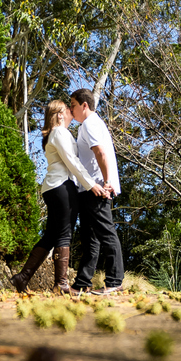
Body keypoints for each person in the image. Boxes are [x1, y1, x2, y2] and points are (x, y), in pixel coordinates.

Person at [11, 99, 108, 293]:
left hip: (51, 187)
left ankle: (22, 278)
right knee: (64, 234)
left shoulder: (54, 134)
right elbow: (72, 161)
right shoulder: (60, 132)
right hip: (62, 187)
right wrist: (91, 185)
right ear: (60, 114)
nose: (72, 112)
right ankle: (61, 284)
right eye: (68, 109)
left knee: (50, 237)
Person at [68, 88, 124, 295]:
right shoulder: (88, 125)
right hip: (90, 188)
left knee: (105, 233)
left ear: (84, 105)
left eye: (73, 105)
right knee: (90, 238)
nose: (70, 109)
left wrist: (107, 181)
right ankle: (81, 283)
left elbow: (100, 152)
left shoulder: (90, 123)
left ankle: (115, 280)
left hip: (97, 188)